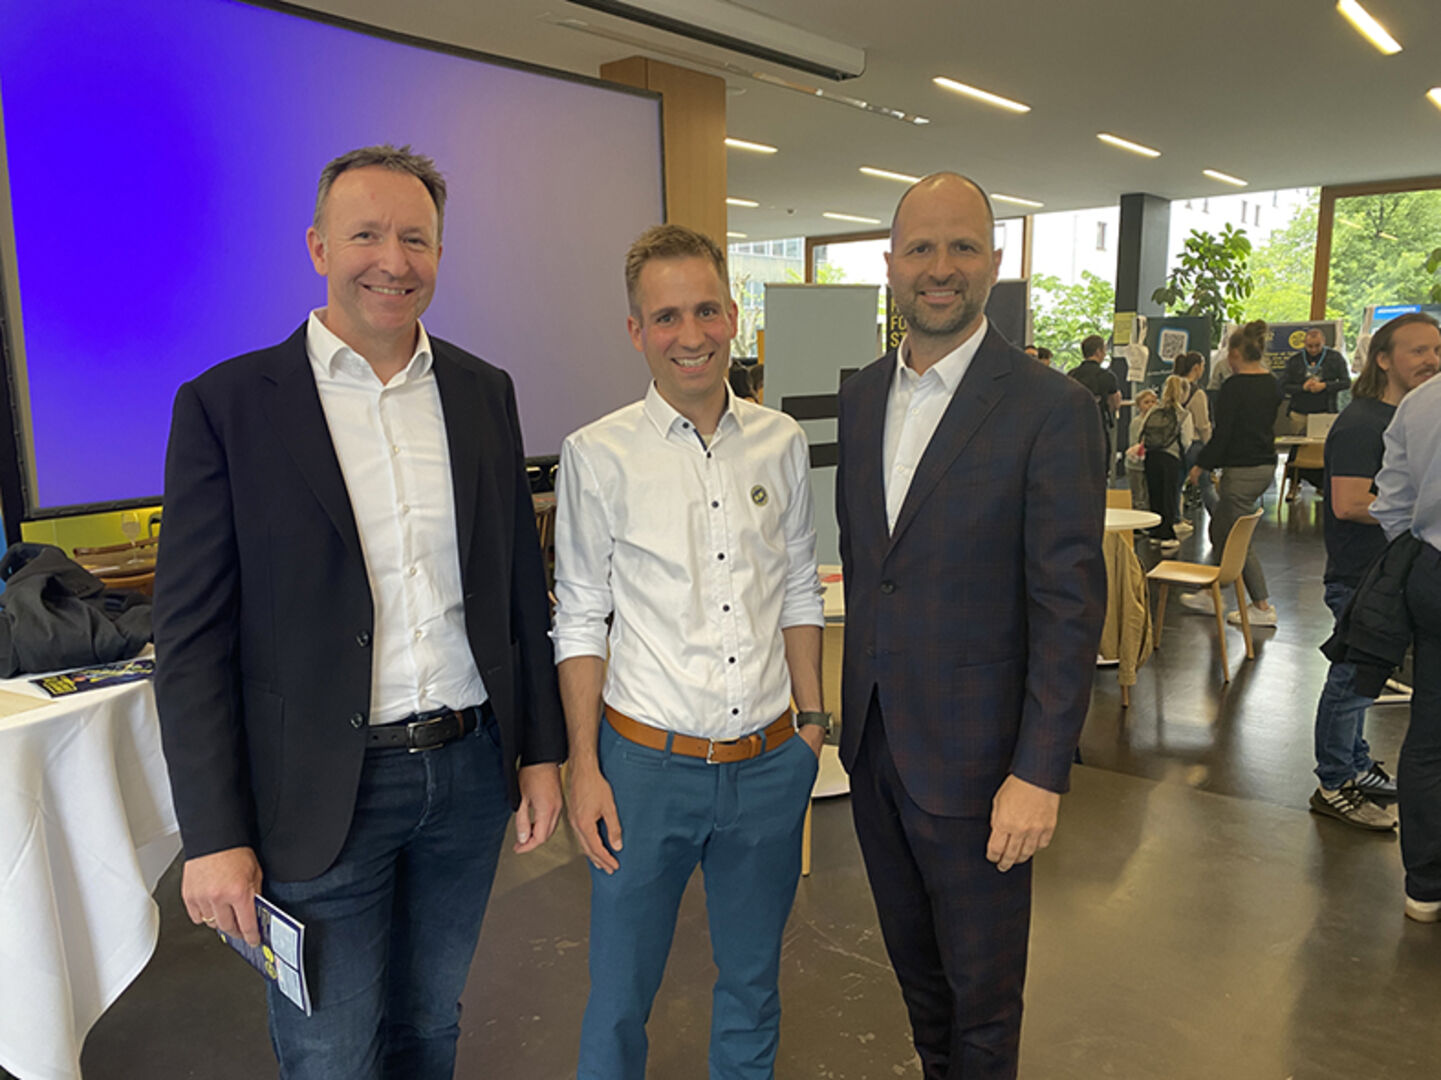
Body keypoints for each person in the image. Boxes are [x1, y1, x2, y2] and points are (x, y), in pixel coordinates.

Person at [152, 145, 566, 1079]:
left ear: (440, 252)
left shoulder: (481, 392)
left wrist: (540, 752)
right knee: (331, 1054)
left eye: (415, 238)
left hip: (466, 775)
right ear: (317, 247)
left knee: (430, 1027)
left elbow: (514, 592)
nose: (393, 258)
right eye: (366, 234)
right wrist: (214, 836)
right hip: (316, 796)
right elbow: (189, 642)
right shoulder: (226, 407)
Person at [835, 172, 1106, 1078]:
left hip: (983, 770)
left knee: (984, 1006)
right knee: (918, 986)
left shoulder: (1050, 408)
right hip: (874, 751)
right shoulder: (863, 394)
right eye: (920, 248)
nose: (939, 268)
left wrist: (1039, 771)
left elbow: (1068, 608)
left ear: (993, 262)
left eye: (960, 247)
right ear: (890, 265)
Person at [553, 224, 826, 1078]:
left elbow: (797, 588)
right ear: (636, 330)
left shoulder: (780, 442)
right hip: (643, 772)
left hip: (767, 763)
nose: (691, 335)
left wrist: (810, 727)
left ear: (733, 315)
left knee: (752, 983)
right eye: (666, 317)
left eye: (706, 310)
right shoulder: (596, 455)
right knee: (620, 996)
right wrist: (583, 765)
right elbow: (580, 616)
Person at [1310, 313, 1440, 831]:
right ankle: (1334, 780)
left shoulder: (1411, 415)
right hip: (1362, 574)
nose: (1431, 360)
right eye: (1417, 351)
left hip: (1389, 571)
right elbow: (1347, 502)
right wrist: (1420, 511)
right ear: (1383, 359)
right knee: (1352, 679)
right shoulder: (1366, 422)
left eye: (1436, 349)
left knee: (1367, 676)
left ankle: (1357, 763)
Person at [1372, 329, 1441, 922]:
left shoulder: (1422, 404)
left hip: (1434, 572)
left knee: (1430, 728)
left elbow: (1390, 504)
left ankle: (1425, 883)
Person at [1184, 321, 1281, 627]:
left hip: (1242, 470)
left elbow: (1225, 434)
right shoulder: (1272, 384)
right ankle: (1211, 591)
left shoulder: (1234, 387)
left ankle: (1262, 606)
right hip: (1265, 465)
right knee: (1222, 530)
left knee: (1235, 539)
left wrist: (1202, 464)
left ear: (1236, 353)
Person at [1139, 375, 1196, 551]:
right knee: (1169, 495)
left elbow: (1142, 432)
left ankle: (1155, 532)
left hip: (1151, 456)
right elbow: (1186, 440)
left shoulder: (1153, 411)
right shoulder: (1184, 414)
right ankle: (1168, 534)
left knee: (1154, 494)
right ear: (1183, 392)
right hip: (1170, 458)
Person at [1070, 333, 1122, 475]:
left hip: (1074, 429)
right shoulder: (1107, 376)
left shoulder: (1072, 375)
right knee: (1098, 469)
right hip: (1097, 426)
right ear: (1098, 352)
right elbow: (1114, 404)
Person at [1175, 350, 1215, 515]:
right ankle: (1220, 517)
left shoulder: (1173, 387)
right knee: (1206, 485)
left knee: (1176, 486)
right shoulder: (1197, 393)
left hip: (1175, 443)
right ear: (1196, 367)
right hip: (1194, 444)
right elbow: (1202, 424)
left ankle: (1176, 519)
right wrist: (1210, 446)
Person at [1283, 327, 1352, 417]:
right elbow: (1284, 386)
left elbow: (1346, 382)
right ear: (1304, 343)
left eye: (1317, 345)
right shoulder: (1294, 360)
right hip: (1299, 411)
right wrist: (1303, 387)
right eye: (1310, 346)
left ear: (1324, 341)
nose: (1313, 349)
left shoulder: (1335, 358)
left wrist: (1325, 385)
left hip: (1326, 410)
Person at [1126, 387, 1159, 509]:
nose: (1150, 405)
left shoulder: (1157, 421)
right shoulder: (1137, 422)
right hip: (1136, 465)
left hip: (1150, 464)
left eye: (1153, 401)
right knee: (1138, 496)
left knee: (1149, 495)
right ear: (1139, 406)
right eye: (1146, 402)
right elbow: (1135, 443)